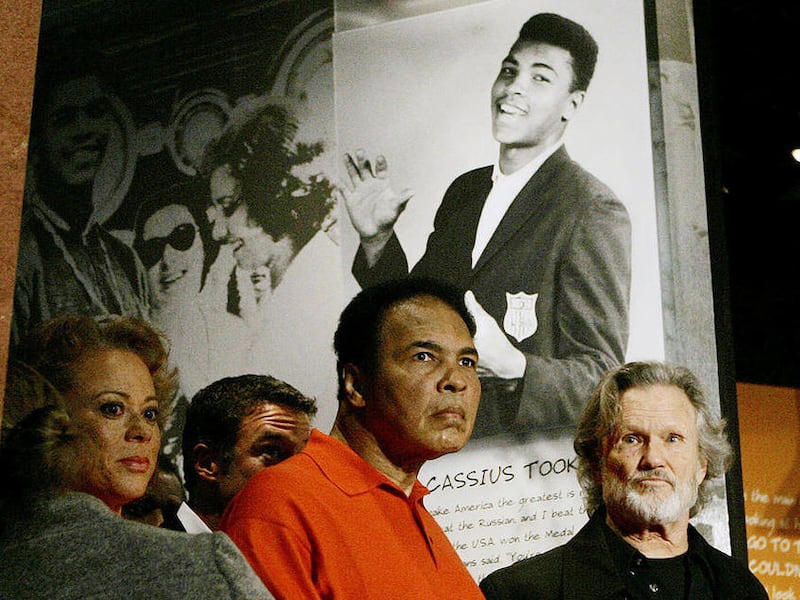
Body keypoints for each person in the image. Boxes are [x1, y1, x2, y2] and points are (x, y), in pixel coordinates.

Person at [340, 12, 631, 437]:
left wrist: (516, 366)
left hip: (517, 462)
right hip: (438, 448)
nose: (514, 87)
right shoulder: (466, 191)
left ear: (572, 104)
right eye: (509, 71)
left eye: (540, 78)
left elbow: (604, 378)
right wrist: (377, 241)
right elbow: (418, 320)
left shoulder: (590, 207)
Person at [220, 278, 485, 599]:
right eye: (424, 357)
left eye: (467, 362)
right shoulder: (280, 502)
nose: (456, 380)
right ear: (355, 385)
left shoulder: (415, 509)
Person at [0, 315, 272, 599]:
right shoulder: (200, 566)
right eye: (113, 409)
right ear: (44, 415)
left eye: (150, 413)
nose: (142, 431)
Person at [479, 361, 768, 599]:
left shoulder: (742, 590)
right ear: (597, 463)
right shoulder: (518, 592)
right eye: (632, 439)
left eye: (673, 439)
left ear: (702, 465)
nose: (653, 459)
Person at [201, 96, 342, 427]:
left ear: (270, 195)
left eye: (229, 206)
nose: (219, 232)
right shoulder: (297, 288)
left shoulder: (321, 293)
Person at [11, 56, 149, 347]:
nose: (85, 129)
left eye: (96, 112)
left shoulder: (124, 258)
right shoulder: (20, 260)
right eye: (64, 119)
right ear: (35, 142)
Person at [133, 181, 249, 458]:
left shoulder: (237, 335)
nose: (168, 260)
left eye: (181, 239)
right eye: (153, 249)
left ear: (203, 245)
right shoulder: (132, 351)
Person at [176, 374, 317, 532]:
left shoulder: (285, 543)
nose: (298, 472)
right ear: (207, 463)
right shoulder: (159, 547)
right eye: (273, 451)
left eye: (304, 456)